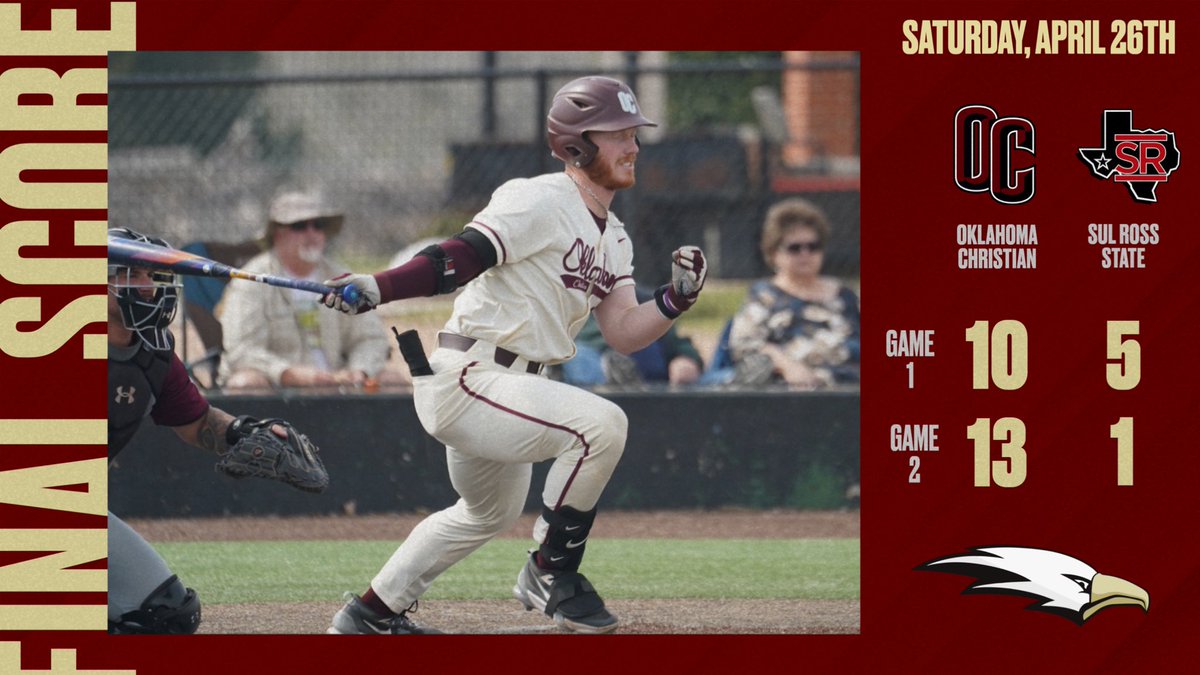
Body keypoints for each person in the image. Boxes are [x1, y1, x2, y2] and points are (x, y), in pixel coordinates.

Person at [321, 75, 707, 634]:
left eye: (634, 133)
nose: (633, 145)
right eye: (618, 133)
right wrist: (382, 285)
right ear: (576, 143)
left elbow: (623, 330)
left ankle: (369, 615)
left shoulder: (615, 236)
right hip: (471, 375)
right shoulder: (538, 197)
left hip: (514, 392)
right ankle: (551, 570)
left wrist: (675, 300)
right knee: (600, 426)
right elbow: (460, 256)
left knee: (485, 513)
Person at [106, 228, 322, 634]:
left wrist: (243, 432)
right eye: (131, 275)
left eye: (153, 275)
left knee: (166, 617)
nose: (148, 286)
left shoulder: (153, 350)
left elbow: (198, 422)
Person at [218, 190, 407, 390]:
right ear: (277, 234)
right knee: (246, 384)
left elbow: (371, 338)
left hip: (338, 386)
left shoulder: (342, 279)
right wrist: (287, 373)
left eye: (319, 225)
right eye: (299, 226)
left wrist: (359, 371)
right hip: (277, 389)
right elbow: (242, 350)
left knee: (391, 380)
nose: (312, 233)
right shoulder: (252, 280)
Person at [719, 198, 860, 388]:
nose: (805, 254)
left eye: (813, 246)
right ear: (774, 252)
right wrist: (786, 366)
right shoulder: (764, 297)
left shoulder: (845, 296)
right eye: (795, 248)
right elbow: (744, 345)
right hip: (793, 391)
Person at [561, 286, 703, 387]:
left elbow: (679, 344)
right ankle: (613, 371)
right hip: (594, 372)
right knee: (578, 356)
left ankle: (621, 373)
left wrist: (684, 359)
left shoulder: (645, 298)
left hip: (648, 377)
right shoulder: (572, 302)